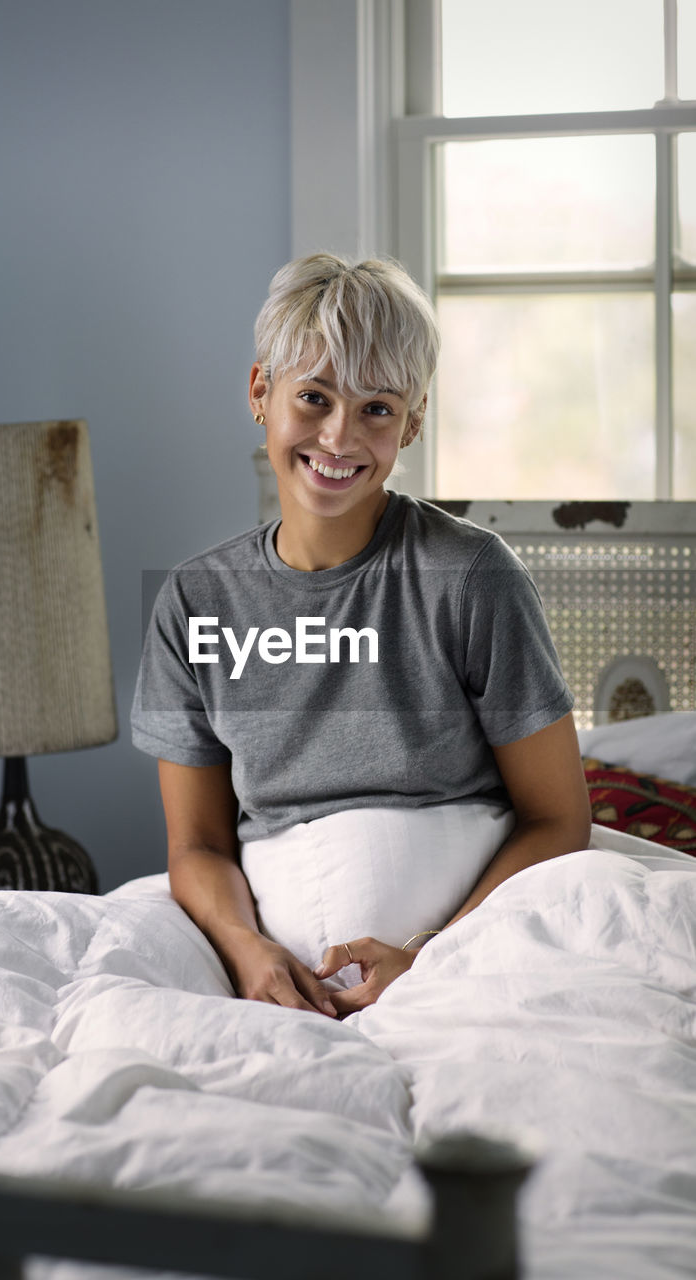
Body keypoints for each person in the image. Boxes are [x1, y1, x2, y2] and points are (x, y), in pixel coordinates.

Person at [131, 253, 591, 1019]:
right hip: (273, 977)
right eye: (313, 397)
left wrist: (434, 954)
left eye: (376, 408)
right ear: (259, 393)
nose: (339, 437)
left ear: (412, 420)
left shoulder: (471, 576)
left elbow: (557, 817)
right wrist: (249, 953)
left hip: (469, 949)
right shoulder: (194, 603)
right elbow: (199, 846)